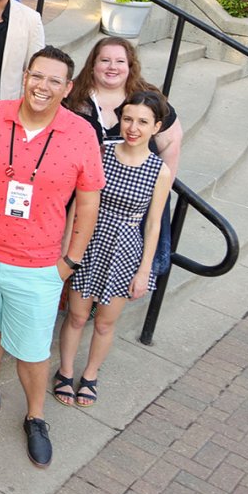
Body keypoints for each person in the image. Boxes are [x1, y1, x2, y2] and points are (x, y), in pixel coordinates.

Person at [0, 46, 105, 470]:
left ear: (68, 88)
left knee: (33, 351)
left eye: (54, 80)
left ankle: (36, 417)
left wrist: (69, 262)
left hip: (39, 264)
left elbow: (89, 203)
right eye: (37, 75)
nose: (43, 86)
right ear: (25, 75)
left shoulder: (81, 133)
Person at [55, 90, 173, 409]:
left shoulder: (159, 170)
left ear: (156, 127)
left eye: (143, 122)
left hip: (124, 249)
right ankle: (65, 371)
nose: (133, 128)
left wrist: (144, 270)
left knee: (105, 322)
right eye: (128, 119)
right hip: (90, 240)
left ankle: (90, 374)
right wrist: (66, 248)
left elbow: (153, 224)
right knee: (77, 316)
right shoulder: (102, 153)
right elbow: (78, 204)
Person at [65, 36, 183, 278]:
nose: (112, 67)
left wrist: (159, 191)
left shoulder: (147, 98)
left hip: (131, 202)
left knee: (121, 268)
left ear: (130, 66)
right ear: (93, 64)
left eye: (120, 61)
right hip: (82, 195)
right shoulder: (73, 97)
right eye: (105, 60)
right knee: (77, 261)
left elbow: (171, 142)